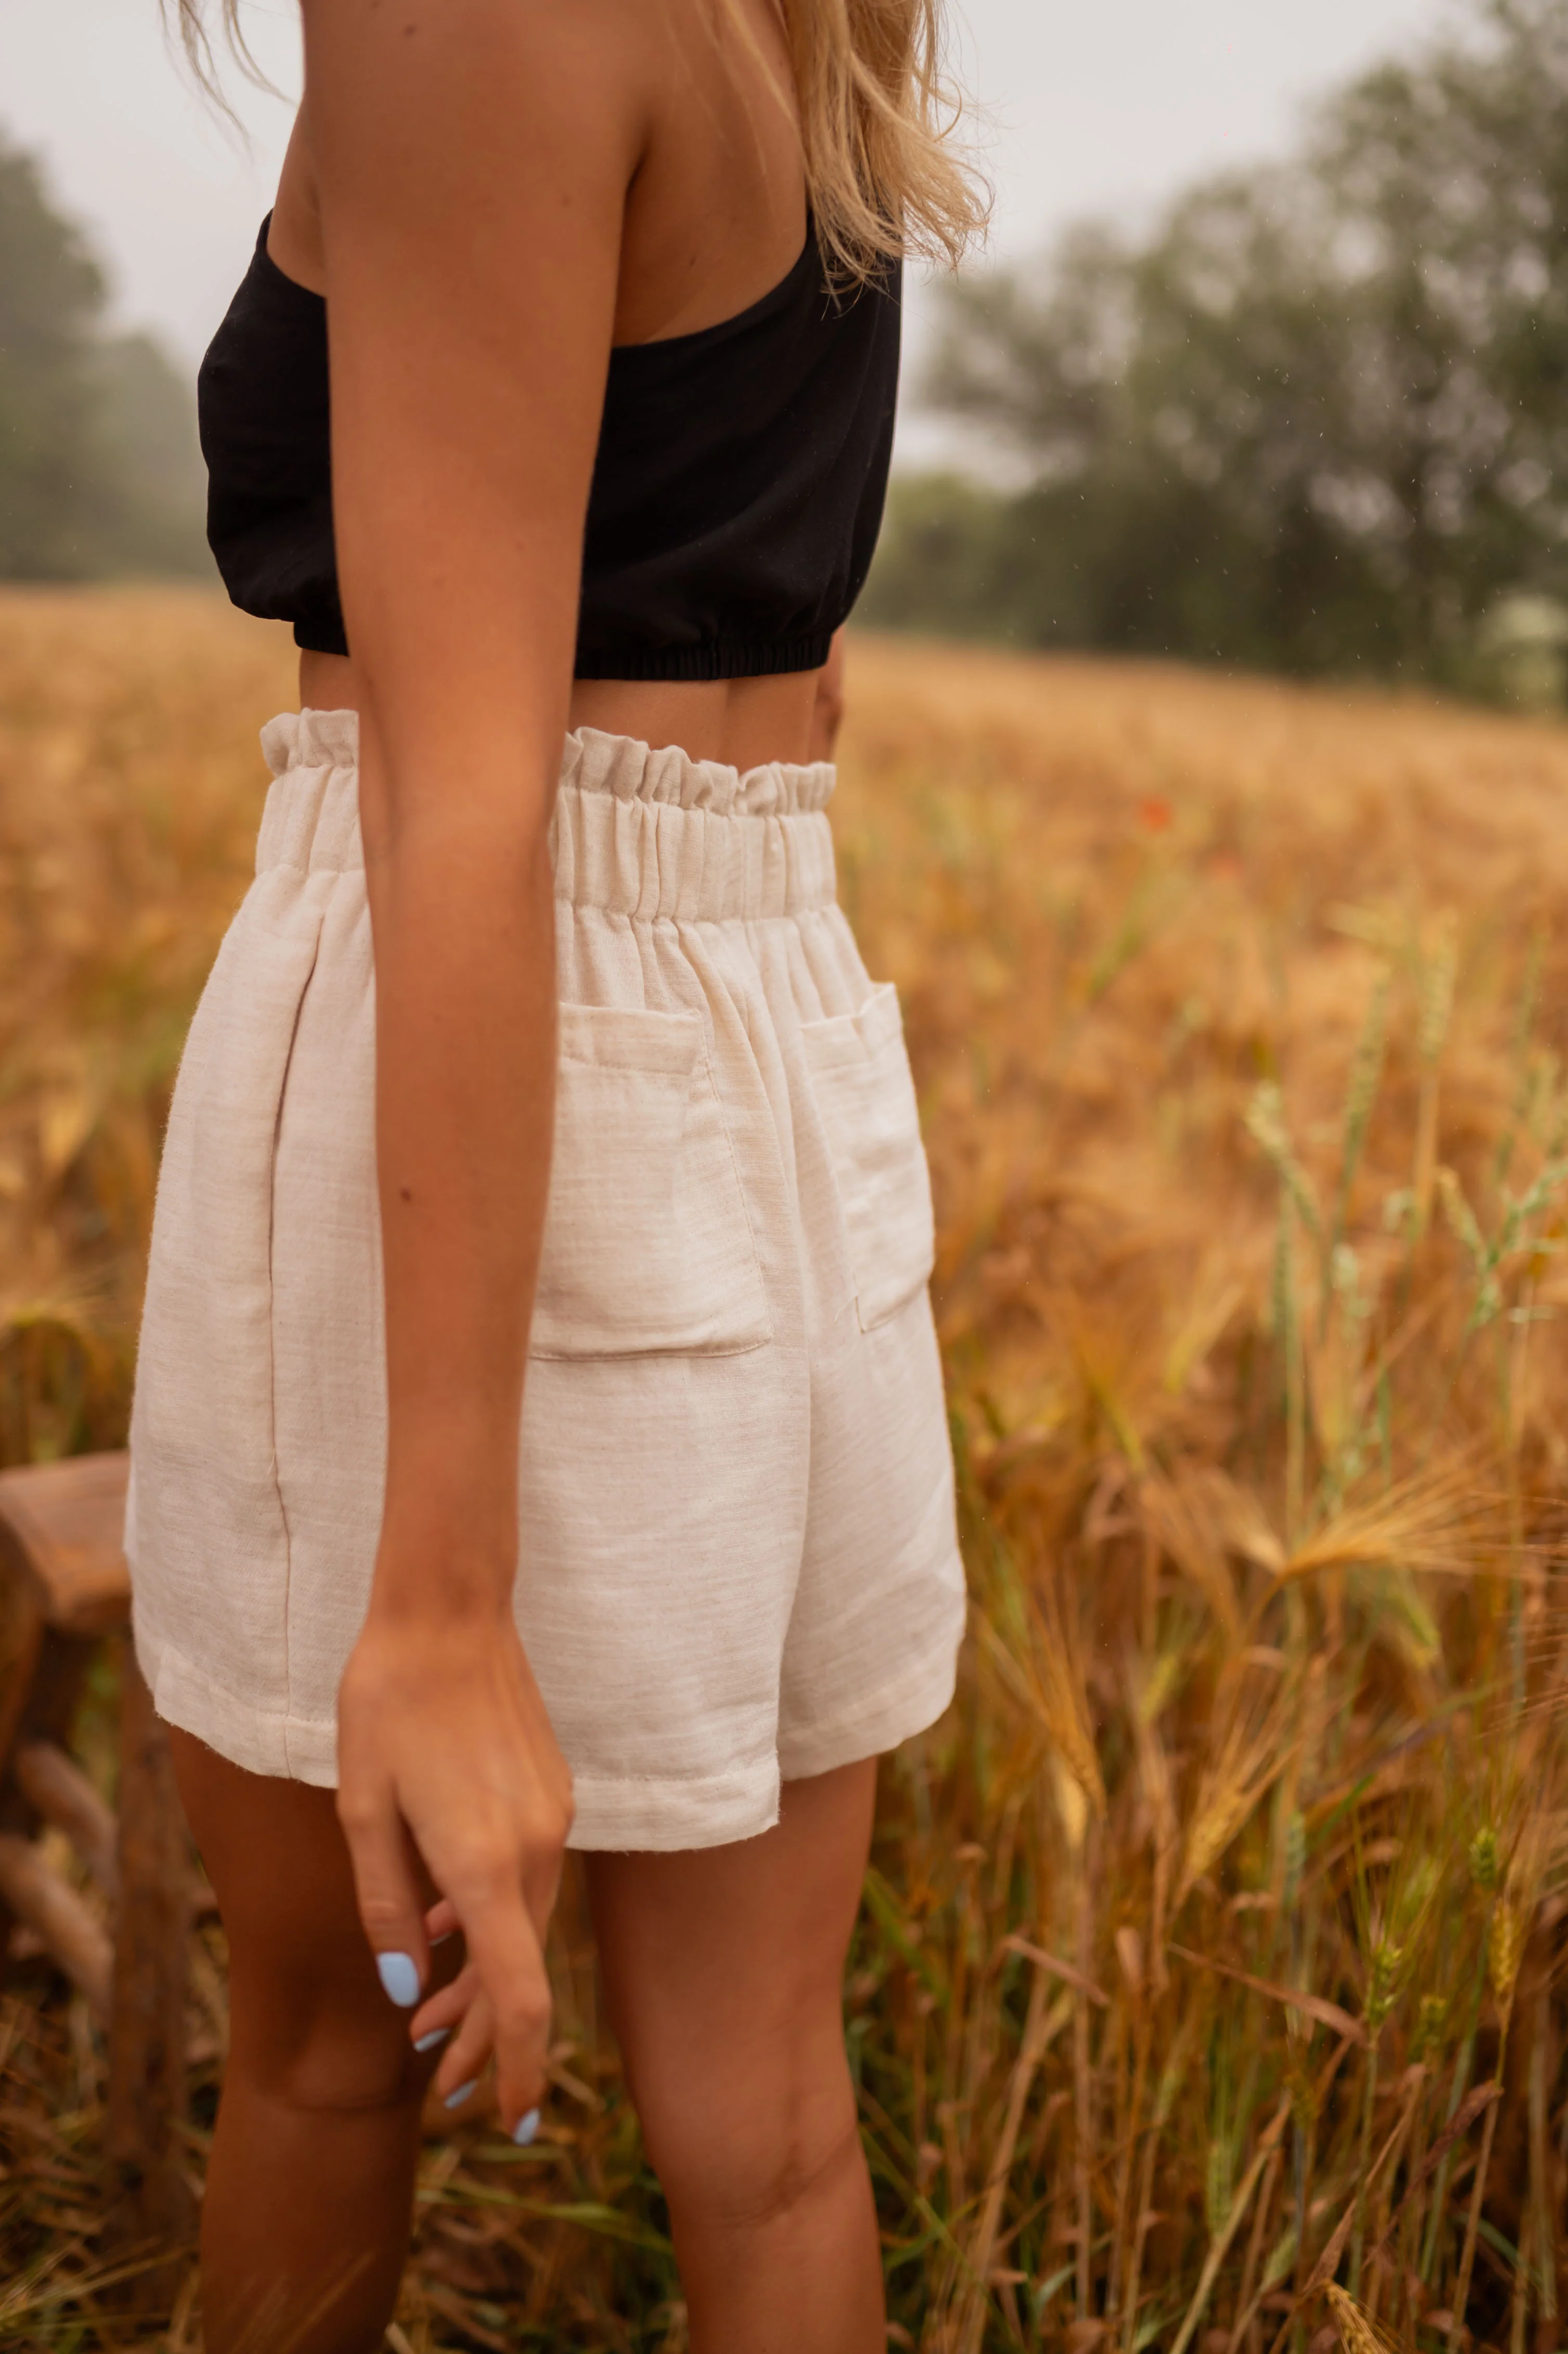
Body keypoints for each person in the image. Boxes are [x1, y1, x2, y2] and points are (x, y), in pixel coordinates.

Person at [128, 1, 983, 2345]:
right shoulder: (805, 16)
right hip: (766, 1004)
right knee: (766, 2118)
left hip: (472, 1016)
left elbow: (465, 799)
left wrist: (437, 1600)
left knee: (327, 2055)